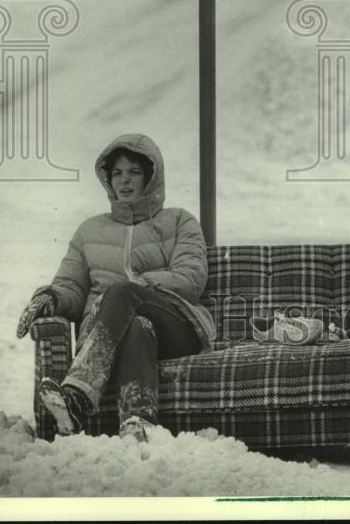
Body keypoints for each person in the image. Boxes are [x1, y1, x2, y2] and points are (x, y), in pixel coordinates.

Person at [16, 133, 215, 442]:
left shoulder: (178, 221)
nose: (125, 181)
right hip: (113, 332)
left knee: (123, 294)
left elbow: (190, 279)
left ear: (151, 177)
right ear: (107, 179)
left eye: (134, 172)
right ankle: (138, 422)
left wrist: (137, 286)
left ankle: (78, 395)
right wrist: (51, 299)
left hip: (176, 327)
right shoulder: (89, 230)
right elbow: (70, 284)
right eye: (117, 173)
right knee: (136, 325)